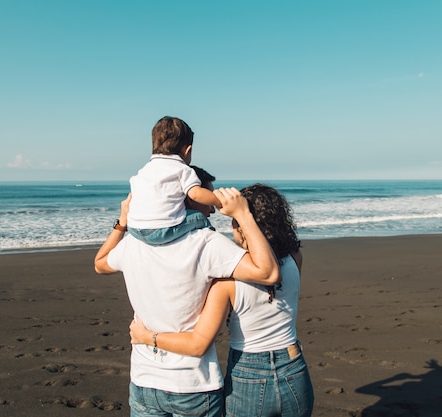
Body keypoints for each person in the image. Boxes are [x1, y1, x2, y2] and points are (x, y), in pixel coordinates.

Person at [94, 169, 280, 417]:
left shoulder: (133, 243)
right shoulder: (207, 243)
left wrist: (123, 222)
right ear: (190, 197)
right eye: (208, 197)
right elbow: (267, 272)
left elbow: (100, 263)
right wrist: (243, 215)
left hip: (144, 380)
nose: (213, 207)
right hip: (193, 385)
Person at [130, 184, 315, 417]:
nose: (231, 226)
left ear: (244, 224)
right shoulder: (294, 258)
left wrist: (147, 337)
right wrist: (243, 216)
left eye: (235, 221)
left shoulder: (227, 282)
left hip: (249, 376)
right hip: (295, 368)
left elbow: (198, 344)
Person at [127, 116, 222, 245]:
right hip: (162, 229)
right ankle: (209, 244)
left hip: (133, 228)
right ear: (188, 150)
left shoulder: (144, 170)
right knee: (200, 218)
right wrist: (220, 201)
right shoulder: (182, 169)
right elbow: (195, 194)